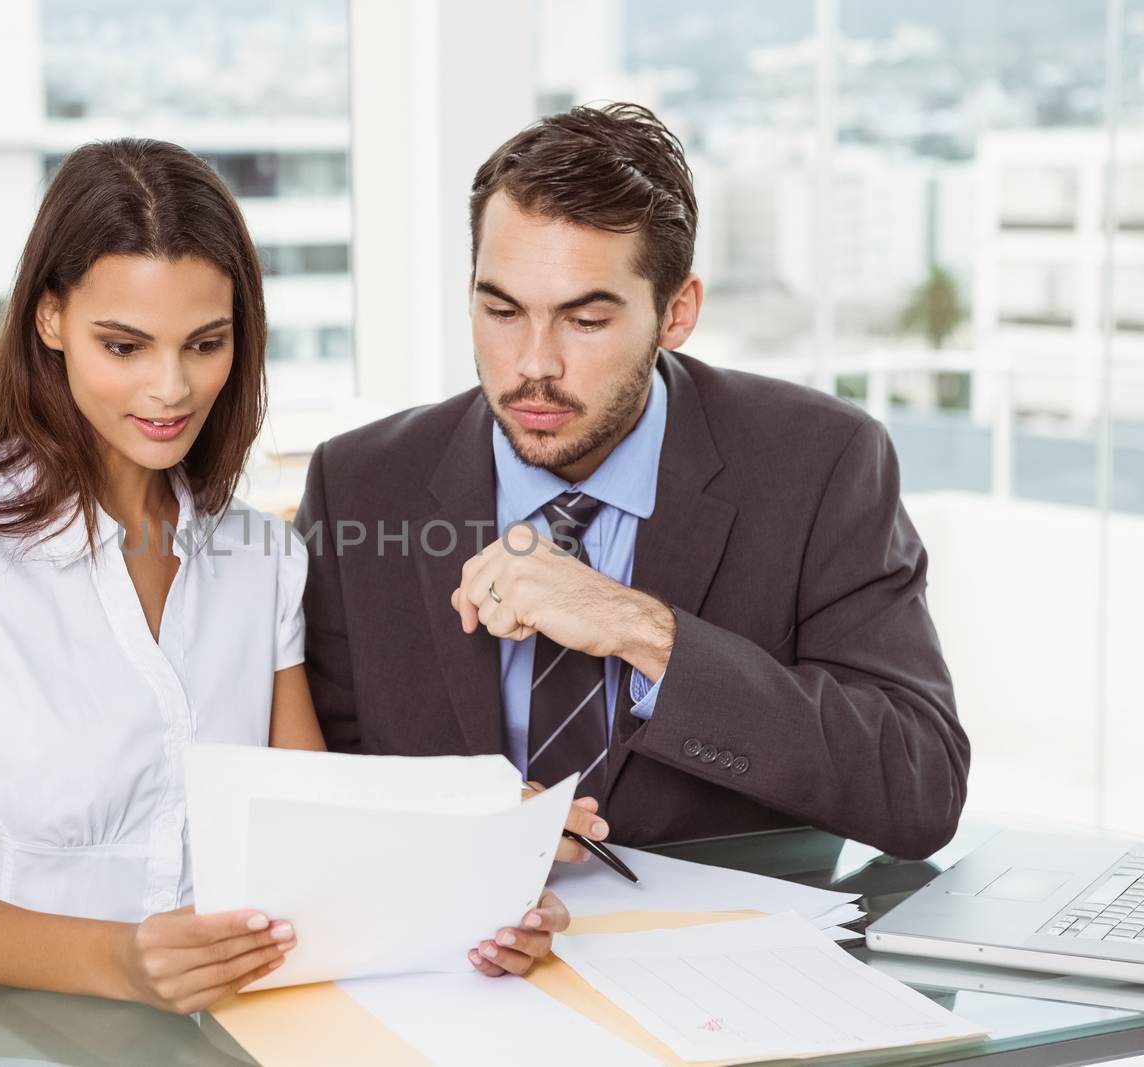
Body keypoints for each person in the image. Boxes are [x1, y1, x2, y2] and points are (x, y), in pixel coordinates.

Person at [0, 139, 567, 1066]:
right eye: (124, 345)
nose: (170, 388)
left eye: (205, 344)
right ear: (50, 317)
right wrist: (123, 959)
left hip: (193, 1041)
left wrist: (488, 863)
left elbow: (317, 835)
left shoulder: (260, 557)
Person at [296, 105, 970, 937]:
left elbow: (918, 786)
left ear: (676, 313)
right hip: (447, 975)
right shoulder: (360, 483)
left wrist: (646, 631)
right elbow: (313, 792)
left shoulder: (820, 463)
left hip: (723, 992)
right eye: (501, 310)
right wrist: (460, 830)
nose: (534, 363)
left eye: (586, 319)